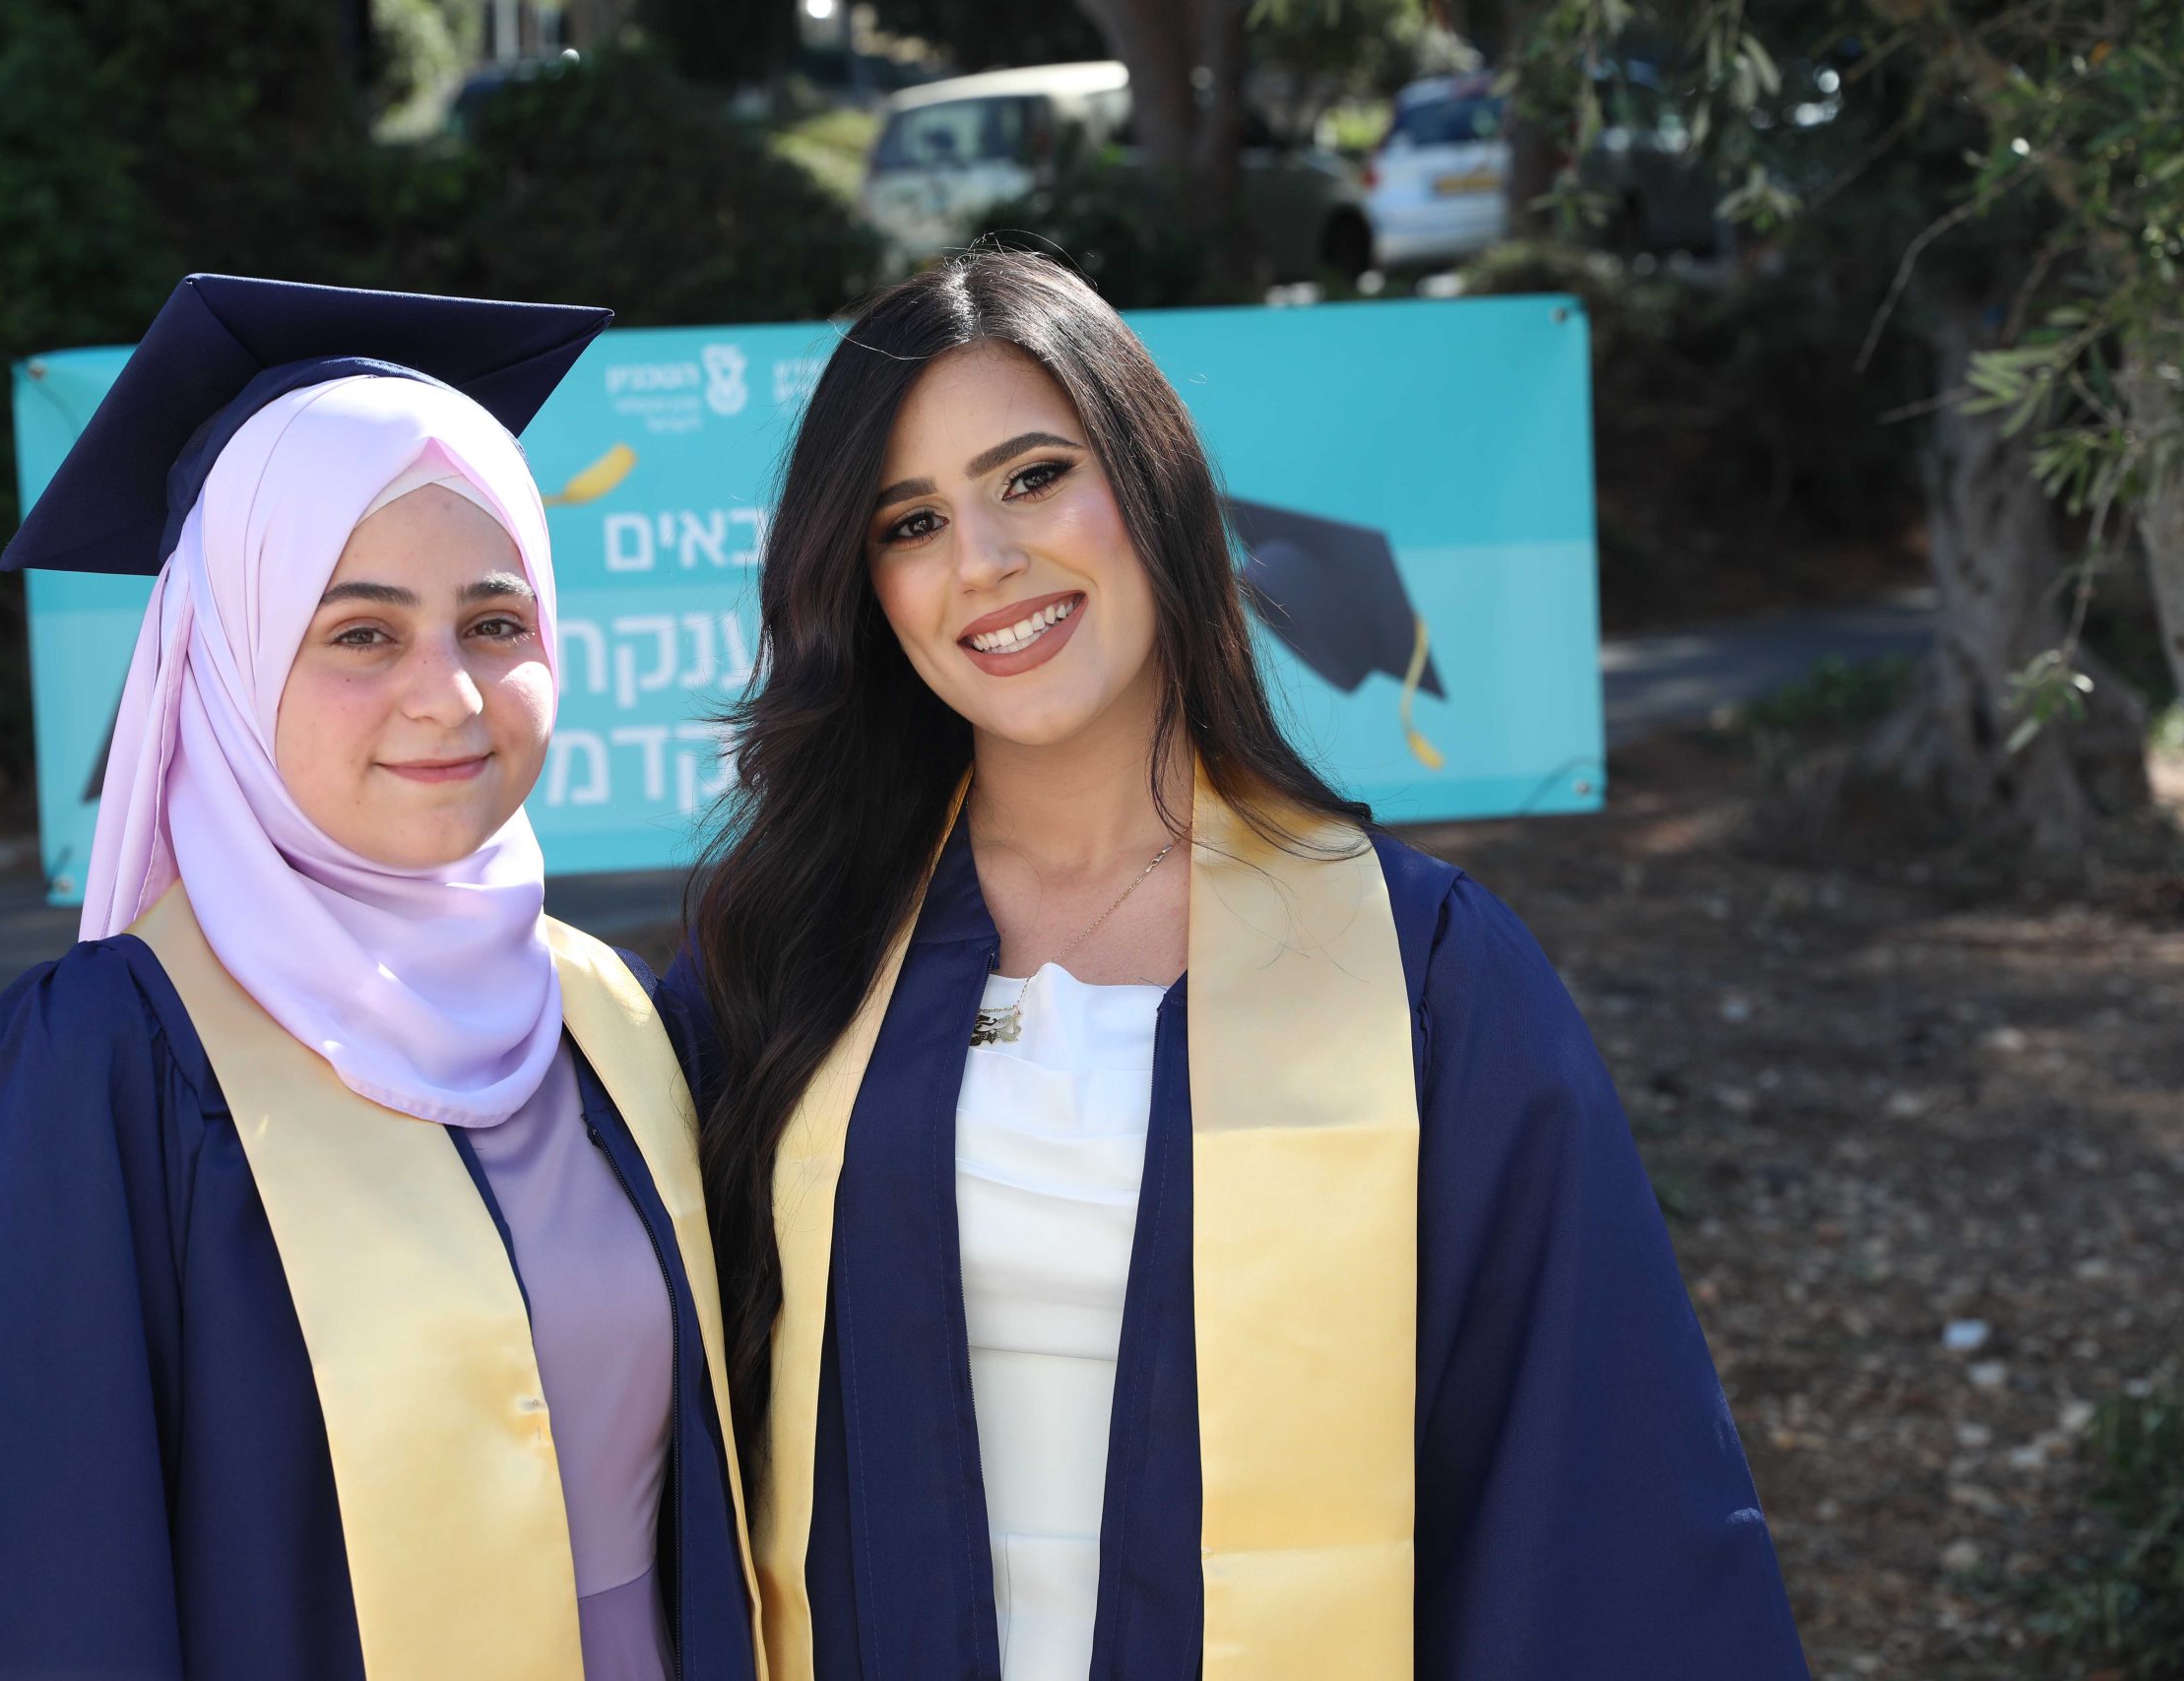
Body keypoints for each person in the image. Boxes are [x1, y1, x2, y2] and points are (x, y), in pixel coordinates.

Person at [659, 251, 1809, 1679]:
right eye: (912, 522)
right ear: (865, 586)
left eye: (1033, 477)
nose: (983, 560)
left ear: (1152, 486)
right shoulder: (783, 958)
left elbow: (1587, 1479)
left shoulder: (1422, 976)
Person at [0, 276, 758, 1680]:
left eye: (495, 622)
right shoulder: (107, 1070)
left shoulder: (614, 1018)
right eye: (361, 633)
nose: (449, 695)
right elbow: (21, 1597)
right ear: (223, 658)